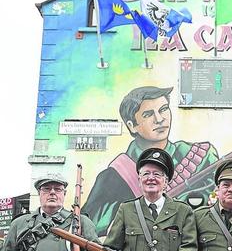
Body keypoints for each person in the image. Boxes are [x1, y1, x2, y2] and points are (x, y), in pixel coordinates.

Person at [83, 86, 219, 236]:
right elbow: (90, 225)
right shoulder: (113, 176)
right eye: (148, 114)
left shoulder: (201, 156)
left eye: (163, 109)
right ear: (132, 126)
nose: (159, 119)